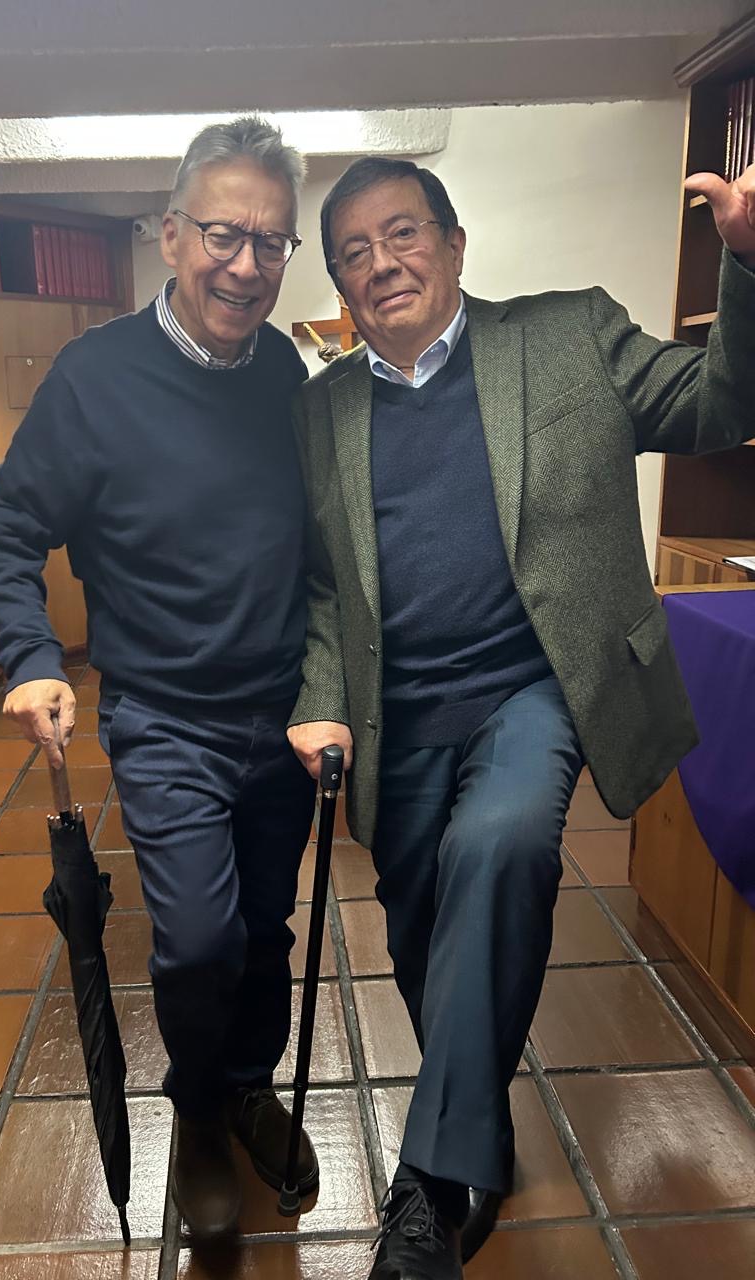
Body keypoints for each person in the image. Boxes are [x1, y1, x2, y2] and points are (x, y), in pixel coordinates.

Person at [287, 154, 755, 1279]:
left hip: (531, 690)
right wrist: (320, 703)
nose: (381, 263)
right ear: (341, 285)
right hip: (398, 715)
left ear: (454, 243)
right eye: (353, 252)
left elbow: (722, 401)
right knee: (427, 941)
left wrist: (745, 260)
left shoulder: (567, 335)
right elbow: (324, 584)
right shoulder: (322, 410)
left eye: (403, 233)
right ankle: (472, 1137)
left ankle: (425, 1195)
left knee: (500, 847)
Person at [0, 117, 320, 1241]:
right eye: (223, 234)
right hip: (166, 716)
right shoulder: (94, 378)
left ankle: (247, 1083)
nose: (246, 265)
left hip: (282, 712)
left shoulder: (284, 371)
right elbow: (6, 530)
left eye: (271, 242)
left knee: (264, 926)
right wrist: (31, 657)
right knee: (200, 938)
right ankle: (201, 1114)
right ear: (171, 234)